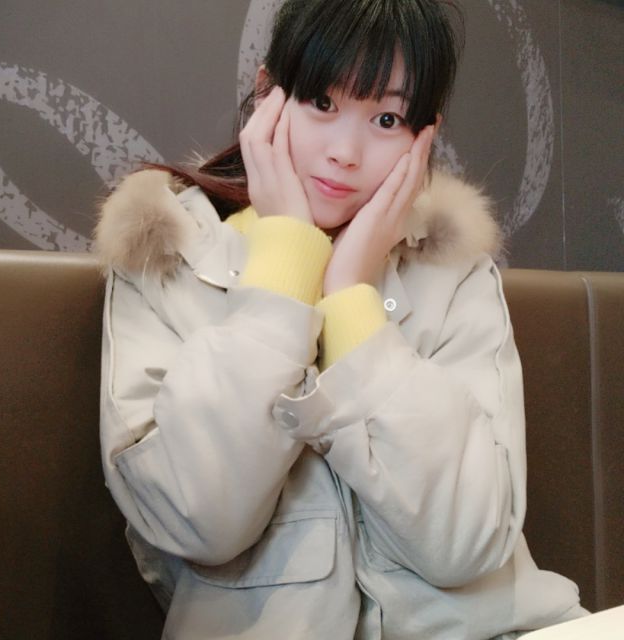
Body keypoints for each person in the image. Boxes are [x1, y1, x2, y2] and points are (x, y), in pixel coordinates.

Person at [95, 0, 586, 638]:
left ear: (423, 136)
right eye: (322, 102)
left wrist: (352, 297)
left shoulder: (451, 270)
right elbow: (198, 523)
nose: (346, 153)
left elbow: (465, 544)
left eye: (387, 119)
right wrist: (285, 267)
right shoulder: (165, 255)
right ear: (268, 95)